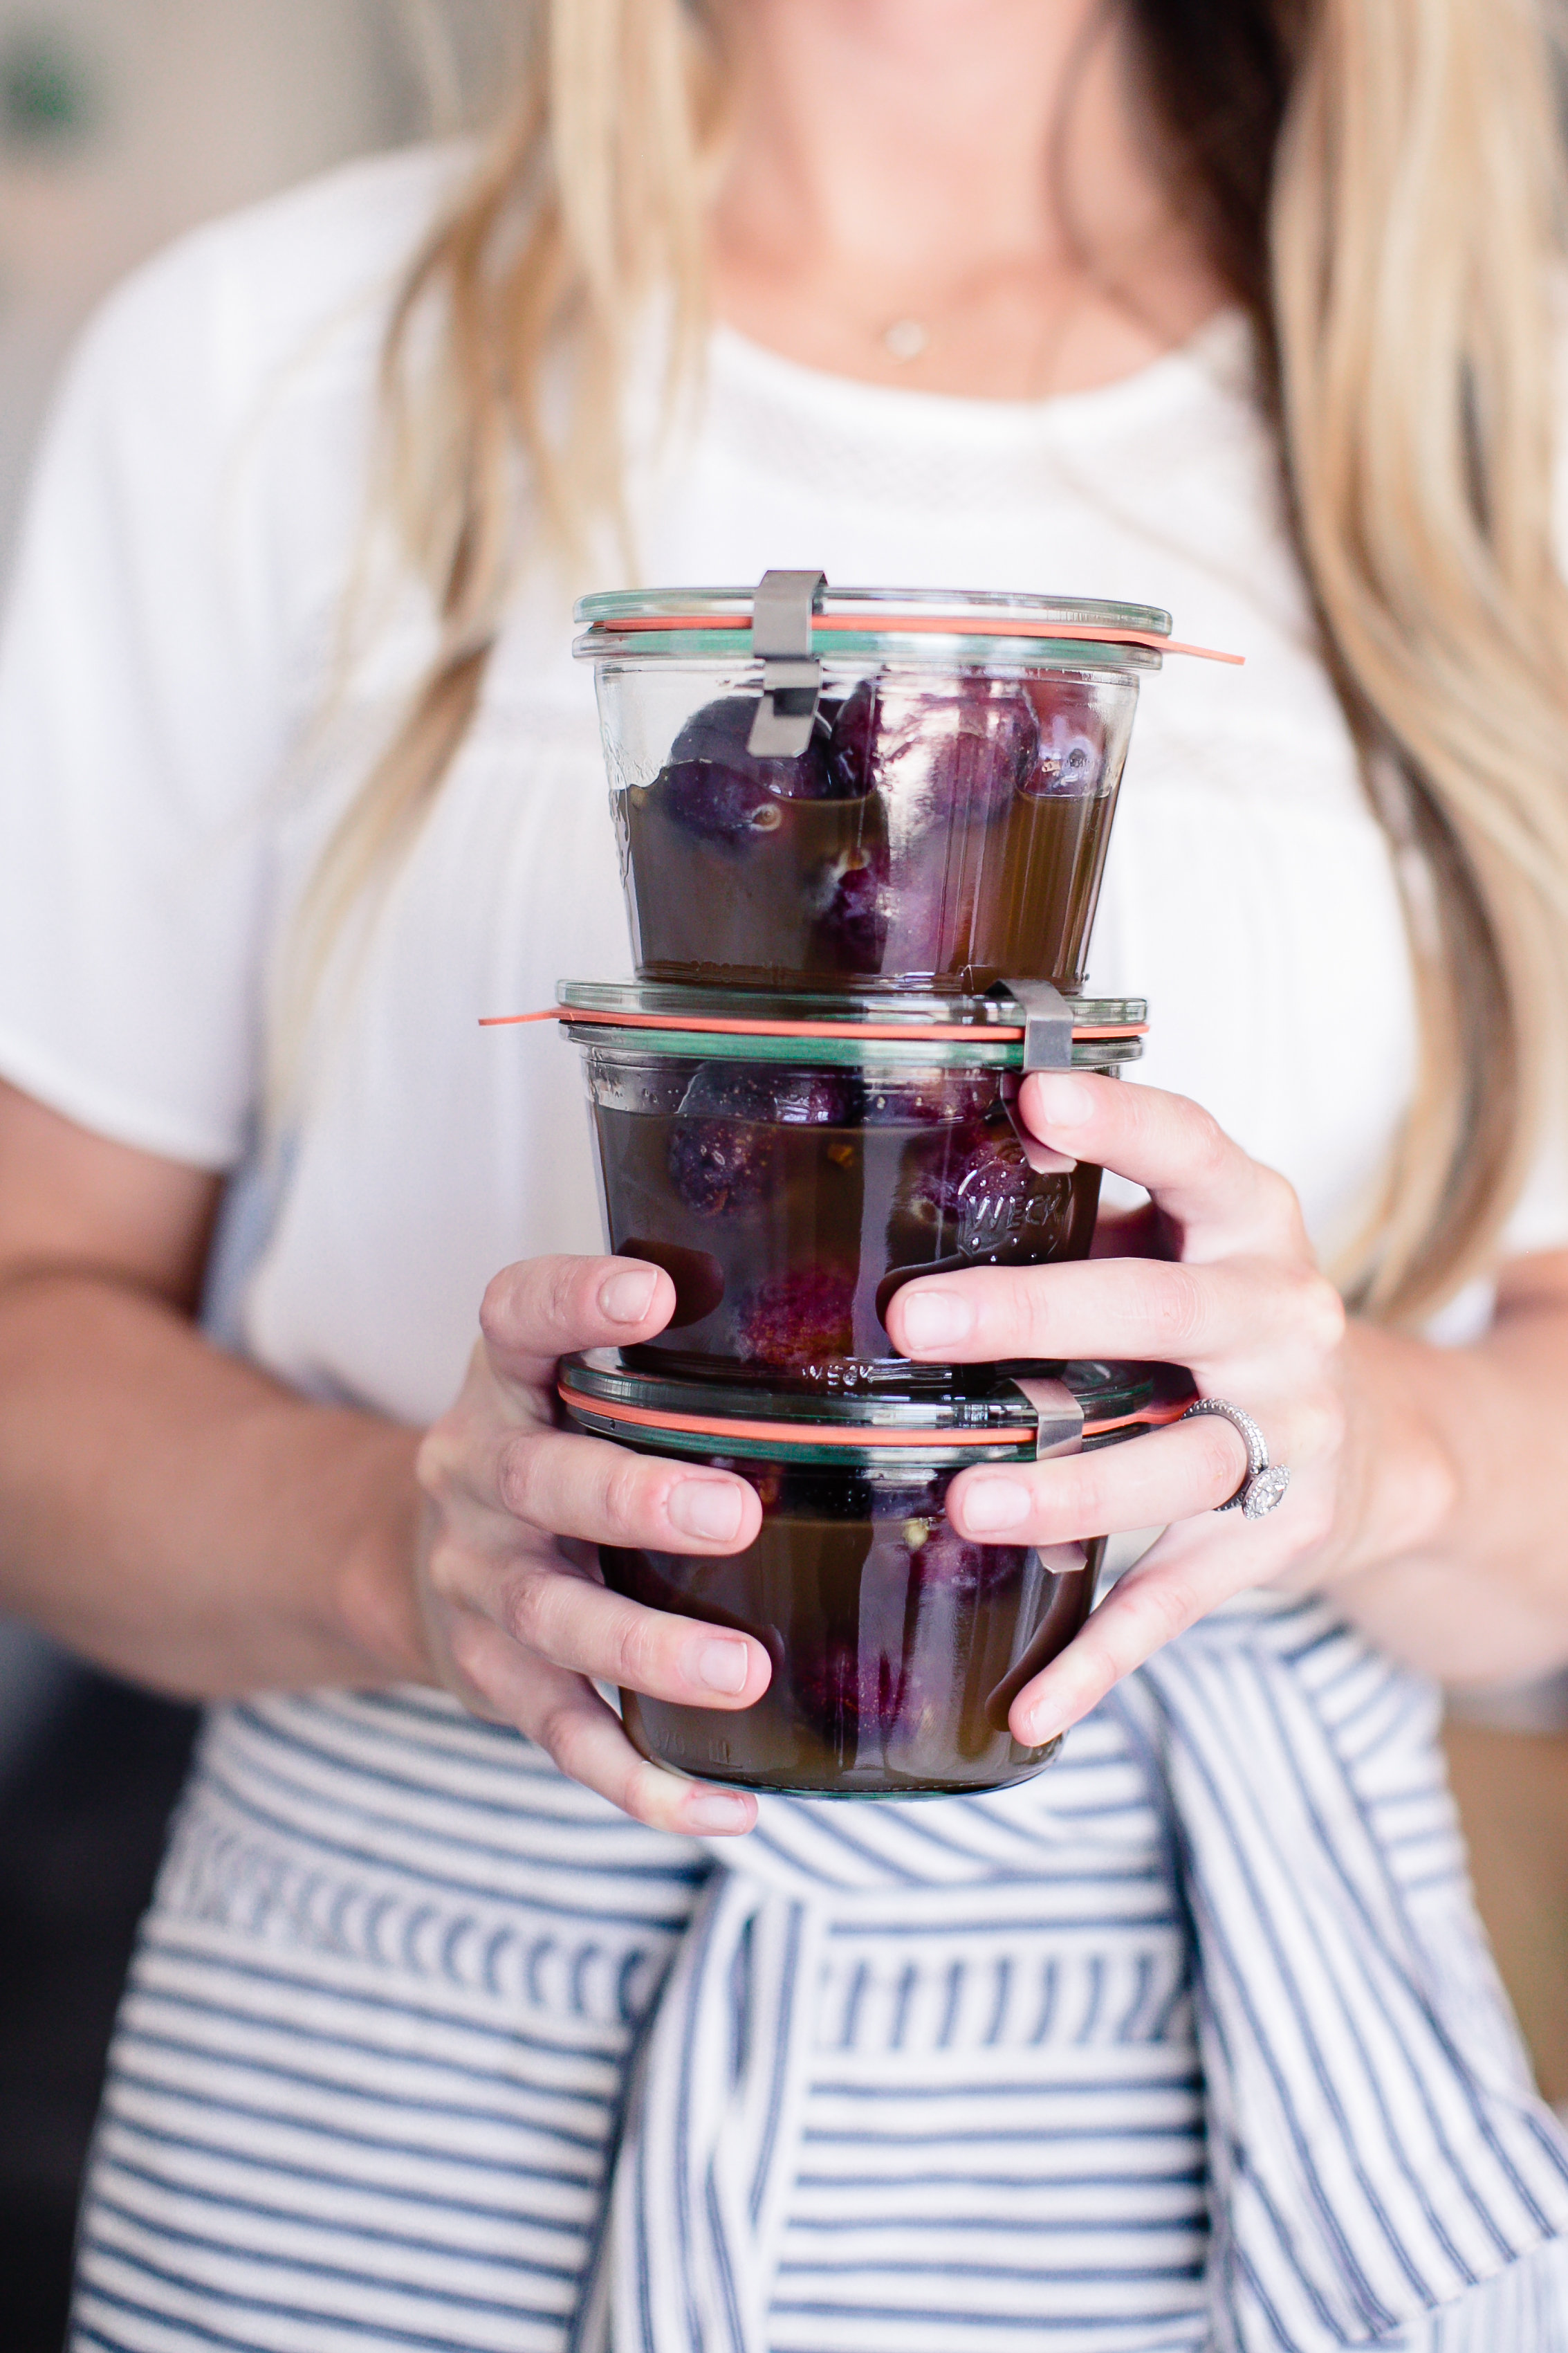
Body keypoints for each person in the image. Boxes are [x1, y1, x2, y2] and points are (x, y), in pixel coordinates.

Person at [1, 0, 1567, 2345]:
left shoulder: (1498, 417)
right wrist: (394, 1551)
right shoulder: (270, 359)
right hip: (400, 2064)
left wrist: (1380, 1456)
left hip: (1221, 2080)